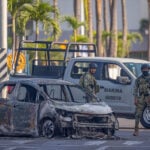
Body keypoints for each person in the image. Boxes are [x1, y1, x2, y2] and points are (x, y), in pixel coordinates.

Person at [133, 63, 150, 136]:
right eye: (144, 69)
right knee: (137, 114)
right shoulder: (138, 79)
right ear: (142, 70)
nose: (145, 70)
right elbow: (135, 89)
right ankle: (136, 130)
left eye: (146, 69)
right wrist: (135, 98)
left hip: (149, 96)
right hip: (142, 97)